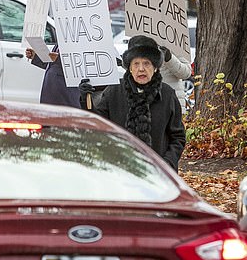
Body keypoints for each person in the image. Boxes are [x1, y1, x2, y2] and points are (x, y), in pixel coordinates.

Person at [79, 35, 186, 171]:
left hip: (159, 176)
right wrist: (85, 98)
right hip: (121, 173)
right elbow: (98, 126)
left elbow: (178, 137)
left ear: (155, 68)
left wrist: (167, 164)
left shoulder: (167, 94)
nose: (141, 69)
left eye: (146, 63)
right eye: (136, 64)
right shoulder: (114, 91)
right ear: (129, 68)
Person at [158, 46, 192, 111]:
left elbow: (186, 73)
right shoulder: (140, 42)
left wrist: (169, 58)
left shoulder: (176, 44)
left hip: (172, 103)